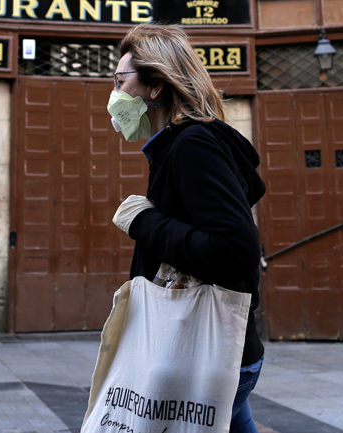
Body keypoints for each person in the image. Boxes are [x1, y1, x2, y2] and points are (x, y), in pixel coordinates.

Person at [108, 23, 266, 433]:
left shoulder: (192, 144)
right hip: (211, 351)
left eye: (120, 79)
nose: (115, 93)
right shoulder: (179, 144)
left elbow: (234, 249)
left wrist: (144, 221)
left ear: (155, 87)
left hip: (203, 354)